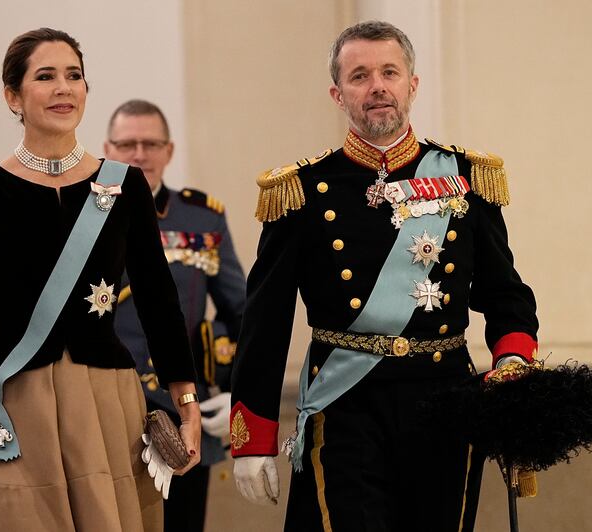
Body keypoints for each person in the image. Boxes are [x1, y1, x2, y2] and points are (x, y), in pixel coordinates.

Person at [230, 20, 538, 531]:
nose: (377, 86)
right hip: (344, 406)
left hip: (446, 401)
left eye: (389, 73)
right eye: (360, 76)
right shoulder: (303, 190)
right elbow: (265, 322)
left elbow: (506, 294)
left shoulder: (466, 177)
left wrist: (512, 362)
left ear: (412, 85)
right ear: (338, 94)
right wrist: (253, 438)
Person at [0, 28, 201, 532]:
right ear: (13, 96)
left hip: (106, 402)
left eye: (74, 76)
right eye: (45, 76)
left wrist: (186, 404)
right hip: (14, 403)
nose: (63, 88)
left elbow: (160, 302)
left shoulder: (125, 185)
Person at [105, 99, 247, 532]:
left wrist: (234, 388)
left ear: (169, 151)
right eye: (127, 144)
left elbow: (241, 313)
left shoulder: (201, 218)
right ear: (107, 151)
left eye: (151, 144)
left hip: (181, 408)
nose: (139, 154)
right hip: (107, 404)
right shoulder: (83, 218)